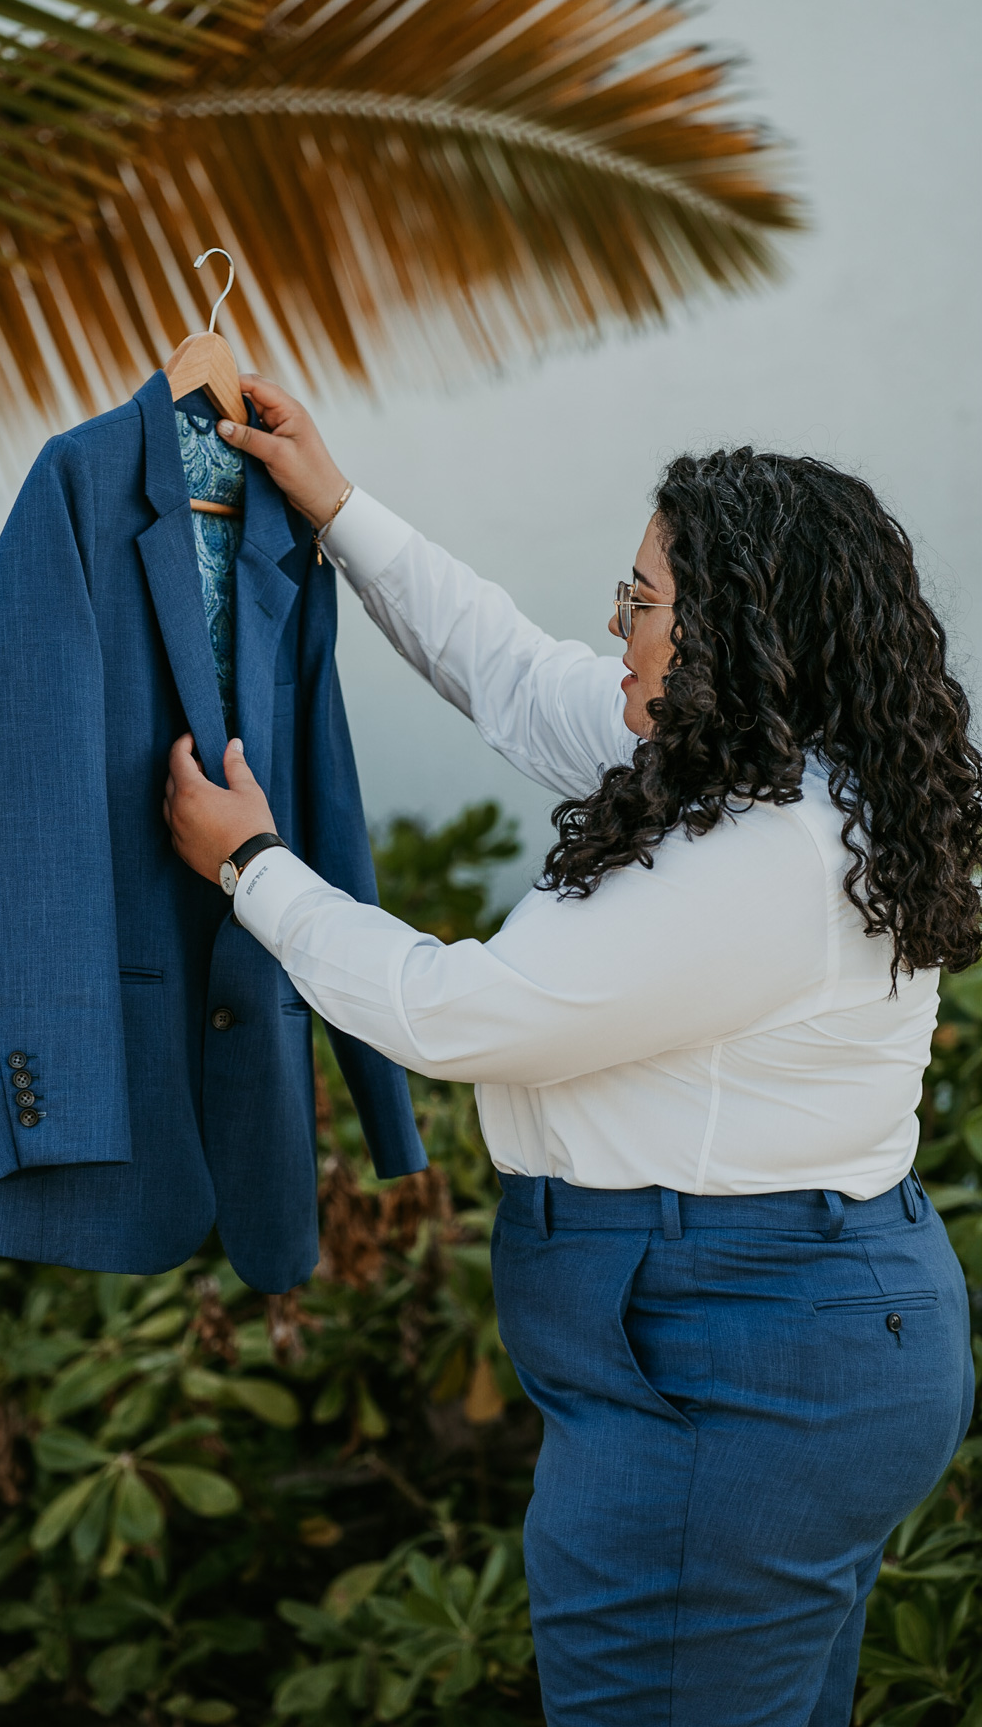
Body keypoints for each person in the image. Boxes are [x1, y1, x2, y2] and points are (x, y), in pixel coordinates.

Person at [162, 375, 979, 1727]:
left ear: (734, 632)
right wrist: (339, 507)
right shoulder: (774, 767)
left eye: (644, 601)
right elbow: (506, 668)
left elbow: (461, 1017)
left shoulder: (766, 854)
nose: (618, 622)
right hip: (788, 1339)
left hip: (733, 1369)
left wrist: (252, 868)